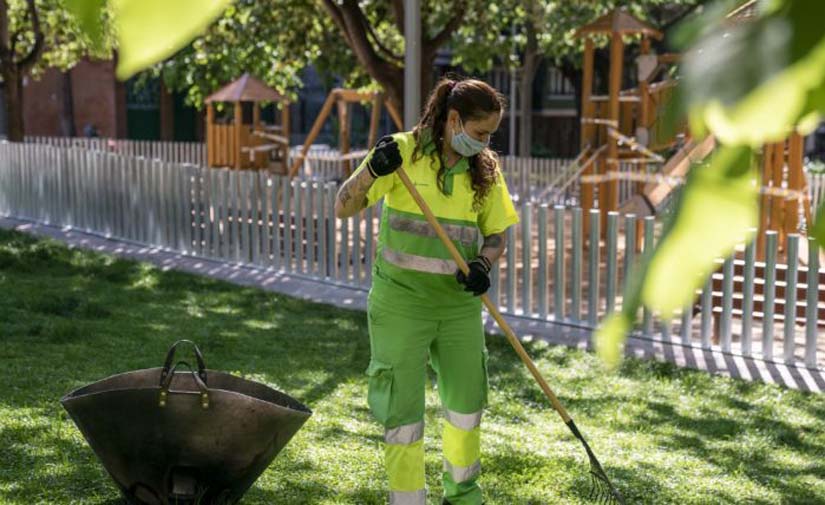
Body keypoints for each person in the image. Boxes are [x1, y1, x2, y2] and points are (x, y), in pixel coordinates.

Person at [335, 78, 519, 505]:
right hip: (400, 304)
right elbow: (342, 206)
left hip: (457, 308)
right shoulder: (401, 155)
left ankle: (462, 494)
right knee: (403, 414)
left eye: (491, 133)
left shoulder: (485, 170)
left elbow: (496, 235)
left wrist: (482, 264)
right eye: (480, 133)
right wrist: (371, 170)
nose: (486, 142)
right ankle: (407, 500)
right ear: (454, 119)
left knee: (467, 406)